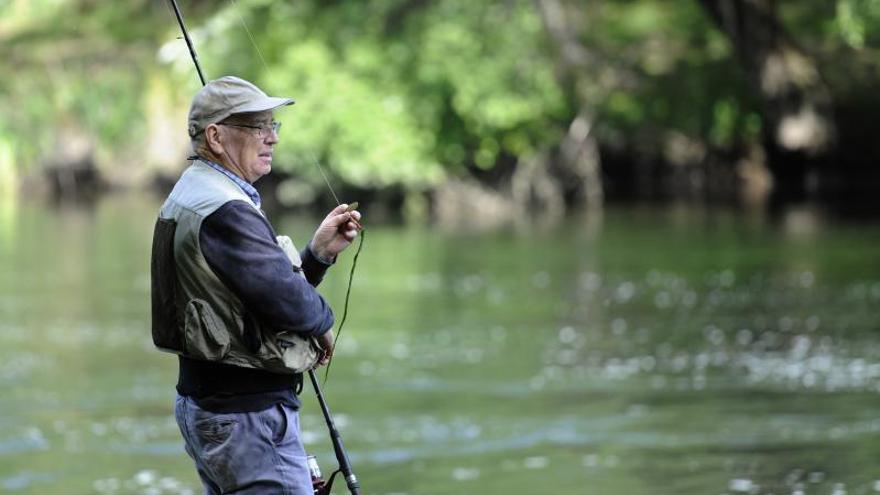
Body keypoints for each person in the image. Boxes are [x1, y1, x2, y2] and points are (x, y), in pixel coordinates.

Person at [150, 75, 361, 494]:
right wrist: (322, 323)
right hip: (247, 419)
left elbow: (250, 297)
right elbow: (291, 305)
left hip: (217, 408)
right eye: (258, 126)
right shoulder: (225, 209)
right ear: (215, 136)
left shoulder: (195, 192)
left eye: (273, 125)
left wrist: (315, 257)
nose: (272, 138)